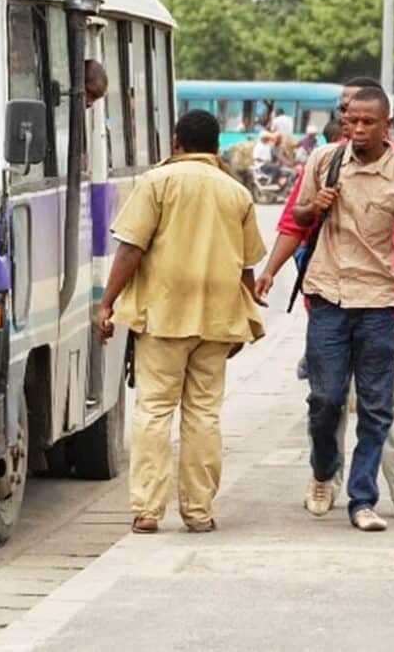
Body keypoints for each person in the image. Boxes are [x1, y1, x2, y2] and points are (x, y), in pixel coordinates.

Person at [258, 82, 394, 522]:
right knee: (326, 399)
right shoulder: (324, 160)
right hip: (328, 299)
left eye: (366, 122)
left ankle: (365, 498)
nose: (355, 128)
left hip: (383, 303)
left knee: (383, 405)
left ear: (387, 125)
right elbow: (295, 219)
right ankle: (324, 471)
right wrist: (271, 268)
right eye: (348, 119)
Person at [95, 109, 266, 534]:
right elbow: (247, 267)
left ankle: (149, 510)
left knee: (154, 410)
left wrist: (107, 303)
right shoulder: (236, 193)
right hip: (216, 319)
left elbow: (131, 249)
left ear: (176, 142)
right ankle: (199, 511)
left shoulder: (157, 182)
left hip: (164, 316)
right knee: (204, 414)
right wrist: (247, 318)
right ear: (217, 146)